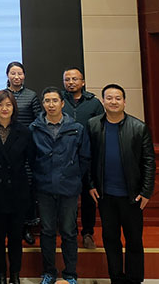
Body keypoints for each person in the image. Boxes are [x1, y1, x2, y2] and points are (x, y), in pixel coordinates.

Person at [87, 84, 156, 284]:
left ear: (124, 101)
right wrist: (90, 184)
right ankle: (116, 278)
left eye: (118, 98)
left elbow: (149, 162)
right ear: (103, 101)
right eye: (109, 98)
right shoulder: (93, 125)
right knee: (110, 239)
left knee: (134, 240)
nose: (113, 102)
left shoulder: (139, 127)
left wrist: (146, 191)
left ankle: (134, 279)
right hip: (105, 195)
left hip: (132, 196)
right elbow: (88, 158)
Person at [30, 87, 90, 284]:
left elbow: (84, 158)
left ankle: (70, 274)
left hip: (68, 188)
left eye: (55, 100)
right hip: (44, 188)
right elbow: (30, 158)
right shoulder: (34, 128)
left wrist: (72, 175)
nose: (51, 104)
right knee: (47, 231)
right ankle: (49, 273)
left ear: (62, 103)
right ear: (43, 104)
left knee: (68, 231)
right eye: (47, 101)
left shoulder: (77, 128)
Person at [0, 89, 34, 284]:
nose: (4, 108)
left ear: (14, 107)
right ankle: (1, 275)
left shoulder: (24, 131)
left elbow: (30, 162)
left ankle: (15, 275)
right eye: (0, 105)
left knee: (16, 238)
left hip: (17, 192)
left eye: (8, 105)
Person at [61, 67, 103, 250]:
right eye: (67, 79)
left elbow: (101, 128)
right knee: (66, 197)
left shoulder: (94, 103)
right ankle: (68, 231)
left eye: (75, 79)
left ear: (83, 82)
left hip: (88, 157)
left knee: (88, 196)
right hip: (65, 157)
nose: (71, 82)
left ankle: (87, 232)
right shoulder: (59, 101)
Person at [5, 61, 40, 245]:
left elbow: (38, 119)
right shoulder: (3, 95)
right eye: (13, 73)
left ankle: (26, 226)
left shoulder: (31, 96)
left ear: (24, 75)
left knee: (25, 188)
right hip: (6, 146)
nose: (16, 77)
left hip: (26, 146)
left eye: (19, 73)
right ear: (7, 75)